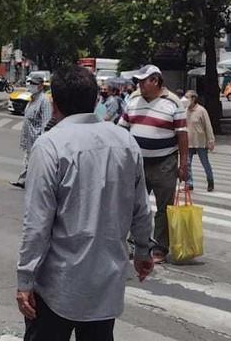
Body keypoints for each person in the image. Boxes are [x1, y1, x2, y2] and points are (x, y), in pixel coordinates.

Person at [17, 65, 154, 340]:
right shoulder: (125, 142)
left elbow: (37, 223)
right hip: (106, 282)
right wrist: (142, 250)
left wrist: (25, 279)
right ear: (94, 101)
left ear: (54, 105)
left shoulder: (50, 146)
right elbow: (141, 207)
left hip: (59, 284)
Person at [118, 65, 188, 264]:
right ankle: (134, 243)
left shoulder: (173, 103)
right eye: (138, 81)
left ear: (155, 81)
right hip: (137, 163)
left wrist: (184, 164)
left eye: (143, 81)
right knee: (134, 205)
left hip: (165, 163)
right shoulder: (132, 100)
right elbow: (122, 130)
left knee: (164, 207)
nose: (139, 85)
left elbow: (182, 135)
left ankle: (159, 247)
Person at [11, 74, 50, 189]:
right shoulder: (32, 99)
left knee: (36, 162)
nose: (31, 86)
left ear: (41, 86)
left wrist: (43, 140)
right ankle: (23, 180)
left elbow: (46, 122)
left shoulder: (44, 101)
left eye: (34, 84)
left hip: (36, 138)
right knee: (27, 159)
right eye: (30, 83)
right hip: (29, 137)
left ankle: (39, 183)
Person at [184, 90, 215, 193]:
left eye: (187, 97)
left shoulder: (201, 110)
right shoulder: (184, 110)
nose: (185, 99)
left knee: (205, 162)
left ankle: (210, 181)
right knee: (187, 164)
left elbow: (208, 126)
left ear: (193, 98)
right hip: (188, 141)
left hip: (200, 141)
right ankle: (189, 183)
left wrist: (211, 140)